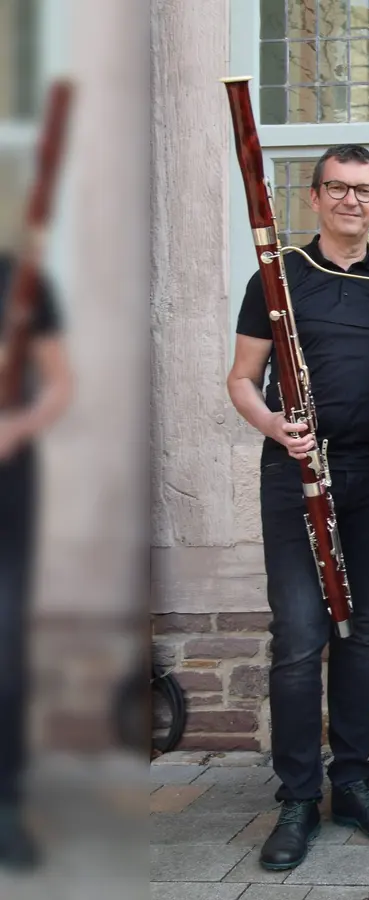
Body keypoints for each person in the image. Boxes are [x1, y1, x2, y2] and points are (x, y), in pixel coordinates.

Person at [224, 145, 369, 871]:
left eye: (365, 190)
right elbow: (243, 379)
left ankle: (355, 783)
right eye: (337, 188)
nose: (351, 200)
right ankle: (299, 796)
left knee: (360, 632)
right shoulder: (276, 276)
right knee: (301, 636)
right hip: (298, 472)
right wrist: (274, 424)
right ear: (314, 198)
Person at [0, 254, 73, 872]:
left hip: (7, 490)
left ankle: (5, 807)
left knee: (4, 651)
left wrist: (16, 427)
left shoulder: (20, 279)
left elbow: (58, 383)